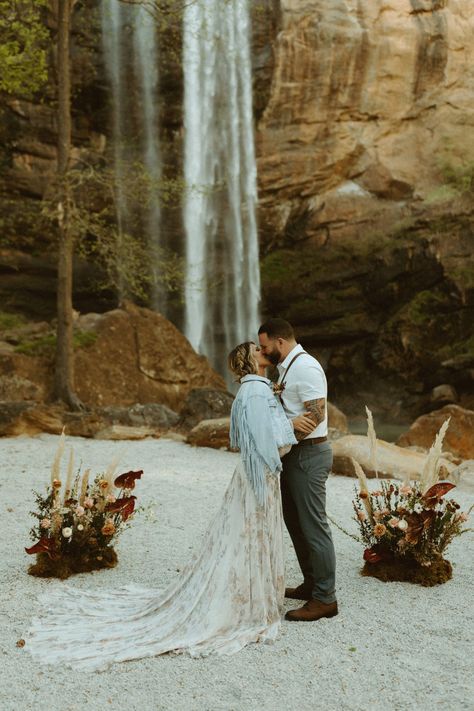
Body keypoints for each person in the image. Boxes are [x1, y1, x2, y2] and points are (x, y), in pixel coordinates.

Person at [25, 342, 297, 671]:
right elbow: (261, 439)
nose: (262, 348)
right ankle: (246, 603)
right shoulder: (255, 392)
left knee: (245, 533)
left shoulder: (255, 388)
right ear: (249, 360)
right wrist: (278, 457)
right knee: (248, 534)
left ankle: (253, 596)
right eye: (256, 347)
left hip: (256, 472)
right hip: (260, 473)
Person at [258, 318, 338, 622]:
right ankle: (311, 584)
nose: (264, 351)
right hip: (294, 455)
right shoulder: (287, 368)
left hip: (308, 454)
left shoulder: (305, 367)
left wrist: (281, 441)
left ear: (280, 341)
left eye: (265, 346)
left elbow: (317, 414)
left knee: (314, 526)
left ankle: (325, 599)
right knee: (296, 523)